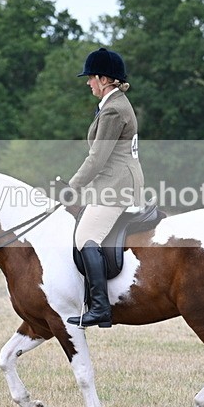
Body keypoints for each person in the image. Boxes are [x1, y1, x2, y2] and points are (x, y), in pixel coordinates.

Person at [66, 47, 144, 328]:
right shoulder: (113, 104)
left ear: (104, 78)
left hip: (117, 185)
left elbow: (97, 157)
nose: (88, 83)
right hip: (113, 182)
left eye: (90, 78)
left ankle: (100, 307)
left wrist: (73, 186)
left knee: (85, 236)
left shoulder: (113, 109)